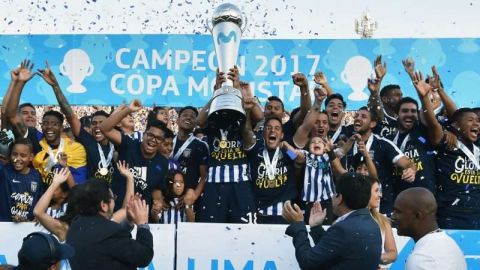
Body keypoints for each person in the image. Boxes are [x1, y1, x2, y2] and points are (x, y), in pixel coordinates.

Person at [411, 71, 480, 229]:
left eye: (478, 121)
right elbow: (435, 122)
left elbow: (456, 115)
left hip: (477, 213)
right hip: (451, 214)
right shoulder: (447, 141)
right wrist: (424, 98)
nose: (476, 123)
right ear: (456, 126)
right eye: (470, 120)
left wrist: (440, 90)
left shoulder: (478, 144)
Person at [283, 172, 381, 270]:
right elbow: (334, 250)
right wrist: (316, 227)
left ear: (340, 198)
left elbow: (308, 263)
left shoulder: (343, 229)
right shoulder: (373, 224)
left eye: (334, 194)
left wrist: (298, 224)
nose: (332, 197)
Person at [66, 180, 153, 270]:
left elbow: (111, 245)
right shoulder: (110, 233)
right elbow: (144, 256)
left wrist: (129, 220)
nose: (114, 202)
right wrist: (142, 224)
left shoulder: (75, 226)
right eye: (113, 198)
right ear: (103, 205)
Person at [99, 100, 169, 211]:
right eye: (150, 135)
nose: (153, 140)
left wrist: (158, 201)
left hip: (140, 215)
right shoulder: (129, 144)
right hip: (115, 211)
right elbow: (104, 128)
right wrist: (128, 110)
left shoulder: (163, 163)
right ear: (144, 134)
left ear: (162, 142)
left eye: (158, 138)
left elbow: (157, 188)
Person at [392, 188, 466, 270]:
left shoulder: (421, 259)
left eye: (398, 212)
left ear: (417, 216)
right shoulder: (451, 244)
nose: (393, 217)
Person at [0, 138, 42, 222]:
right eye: (14, 154)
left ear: (31, 157)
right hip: (4, 226)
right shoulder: (4, 171)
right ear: (10, 155)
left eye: (23, 155)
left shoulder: (36, 176)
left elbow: (40, 200)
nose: (17, 158)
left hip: (27, 227)